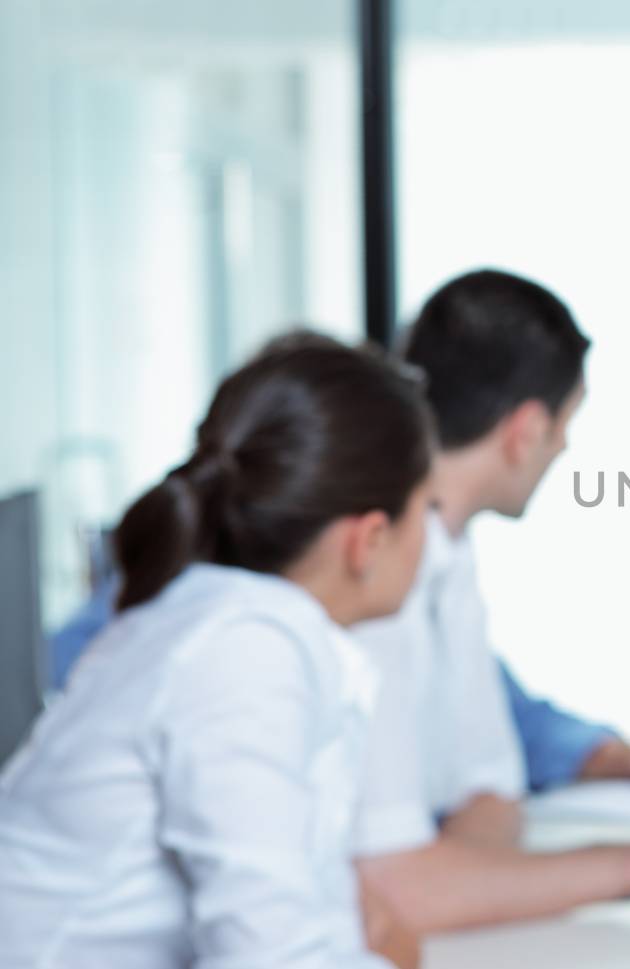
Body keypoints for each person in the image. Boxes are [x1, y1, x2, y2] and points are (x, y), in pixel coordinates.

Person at [0, 333, 435, 968]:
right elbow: (275, 958)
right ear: (368, 539)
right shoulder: (244, 654)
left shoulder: (220, 625)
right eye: (428, 508)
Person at [351, 269, 630, 936]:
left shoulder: (448, 555)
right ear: (525, 430)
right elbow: (401, 886)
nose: (566, 447)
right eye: (566, 424)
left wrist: (459, 876)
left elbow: (493, 787)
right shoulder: (371, 581)